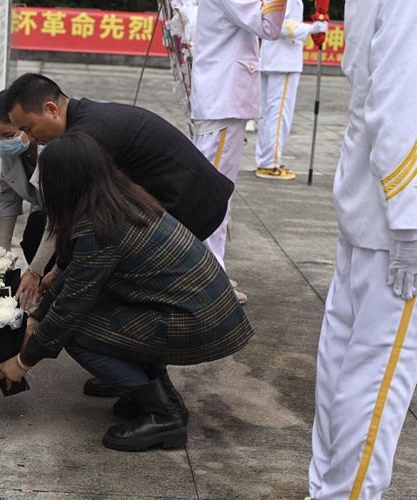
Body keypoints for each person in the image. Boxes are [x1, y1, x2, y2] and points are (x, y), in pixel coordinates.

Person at [0, 132, 254, 451]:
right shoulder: (115, 200)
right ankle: (161, 397)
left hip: (198, 322)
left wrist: (21, 363)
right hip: (205, 313)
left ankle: (162, 415)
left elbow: (70, 310)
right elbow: (79, 275)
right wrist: (37, 315)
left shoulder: (98, 225)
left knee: (74, 330)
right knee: (82, 315)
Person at [2, 72, 236, 399]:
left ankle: (151, 397)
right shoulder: (83, 124)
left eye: (28, 128)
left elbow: (76, 240)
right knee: (90, 282)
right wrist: (54, 277)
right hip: (165, 205)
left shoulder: (92, 138)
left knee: (89, 312)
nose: (28, 138)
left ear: (52, 109)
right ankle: (130, 370)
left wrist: (27, 354)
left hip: (191, 203)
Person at [308, 1, 417, 498]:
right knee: (376, 381)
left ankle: (326, 489)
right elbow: (400, 100)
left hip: (367, 200)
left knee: (345, 365)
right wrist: (410, 218)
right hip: (396, 213)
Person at [189, 0, 287, 283]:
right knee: (214, 193)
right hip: (224, 98)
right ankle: (207, 277)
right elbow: (268, 26)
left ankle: (209, 272)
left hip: (224, 97)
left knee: (215, 191)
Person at [0, 91, 56, 310]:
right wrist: (1, 256)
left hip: (70, 212)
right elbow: (8, 197)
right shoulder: (10, 150)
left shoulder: (55, 149)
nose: (3, 143)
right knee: (32, 238)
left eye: (7, 135)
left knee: (52, 248)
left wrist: (34, 271)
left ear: (24, 125)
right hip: (45, 208)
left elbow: (58, 217)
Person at [255, 0, 328, 180]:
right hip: (283, 59)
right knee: (278, 116)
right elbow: (278, 25)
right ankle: (270, 164)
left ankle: (266, 160)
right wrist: (311, 29)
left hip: (272, 57)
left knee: (268, 115)